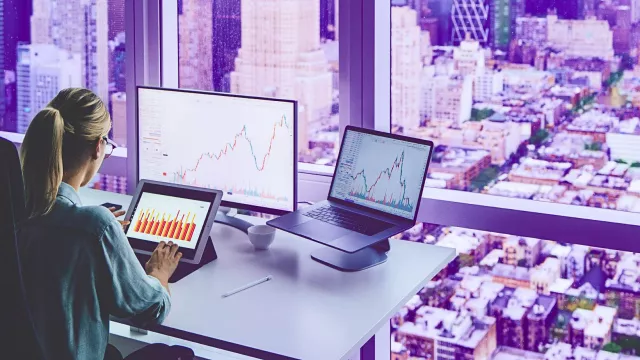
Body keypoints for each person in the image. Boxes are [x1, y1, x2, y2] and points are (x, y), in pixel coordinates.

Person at [18, 88, 193, 360]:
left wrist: (93, 228)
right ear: (98, 147)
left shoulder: (16, 208)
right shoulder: (95, 227)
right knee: (178, 354)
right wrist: (159, 273)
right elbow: (150, 310)